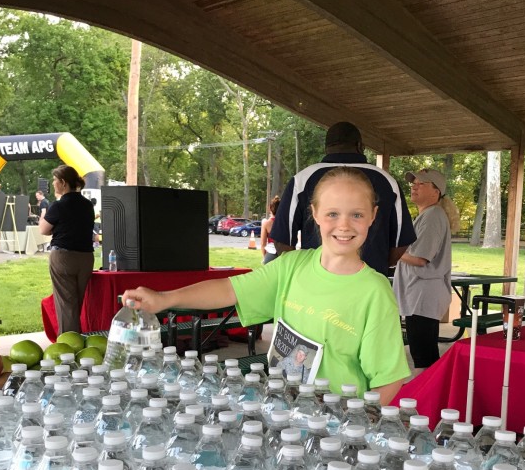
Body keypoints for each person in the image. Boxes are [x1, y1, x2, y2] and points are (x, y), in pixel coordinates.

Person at [123, 167, 411, 403]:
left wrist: (353, 432)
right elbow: (228, 289)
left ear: (373, 215)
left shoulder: (374, 292)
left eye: (357, 214)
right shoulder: (291, 266)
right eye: (333, 213)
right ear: (315, 213)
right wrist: (164, 299)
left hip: (332, 433)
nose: (344, 225)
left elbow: (388, 380)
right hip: (283, 411)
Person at [270, 121, 415, 276]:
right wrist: (377, 267)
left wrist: (302, 274)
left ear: (326, 148)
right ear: (360, 146)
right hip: (368, 283)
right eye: (332, 214)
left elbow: (282, 240)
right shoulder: (387, 182)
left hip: (316, 284)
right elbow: (401, 241)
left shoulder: (302, 180)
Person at [393, 168, 458, 371]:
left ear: (436, 191)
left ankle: (427, 398)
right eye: (413, 183)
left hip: (422, 295)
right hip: (419, 295)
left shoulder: (432, 216)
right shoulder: (428, 215)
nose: (414, 187)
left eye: (421, 184)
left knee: (423, 355)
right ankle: (431, 395)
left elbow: (420, 258)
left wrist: (392, 251)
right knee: (424, 351)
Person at [39, 165, 95, 335]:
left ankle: (68, 346)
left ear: (63, 182)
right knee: (76, 304)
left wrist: (44, 214)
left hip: (63, 256)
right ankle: (77, 340)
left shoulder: (58, 205)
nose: (54, 183)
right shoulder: (87, 205)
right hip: (86, 258)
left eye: (55, 180)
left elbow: (43, 229)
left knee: (66, 305)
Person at [260, 195, 280, 264]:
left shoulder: (266, 223)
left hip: (272, 252)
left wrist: (264, 257)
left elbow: (263, 243)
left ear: (270, 209)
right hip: (285, 253)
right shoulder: (285, 222)